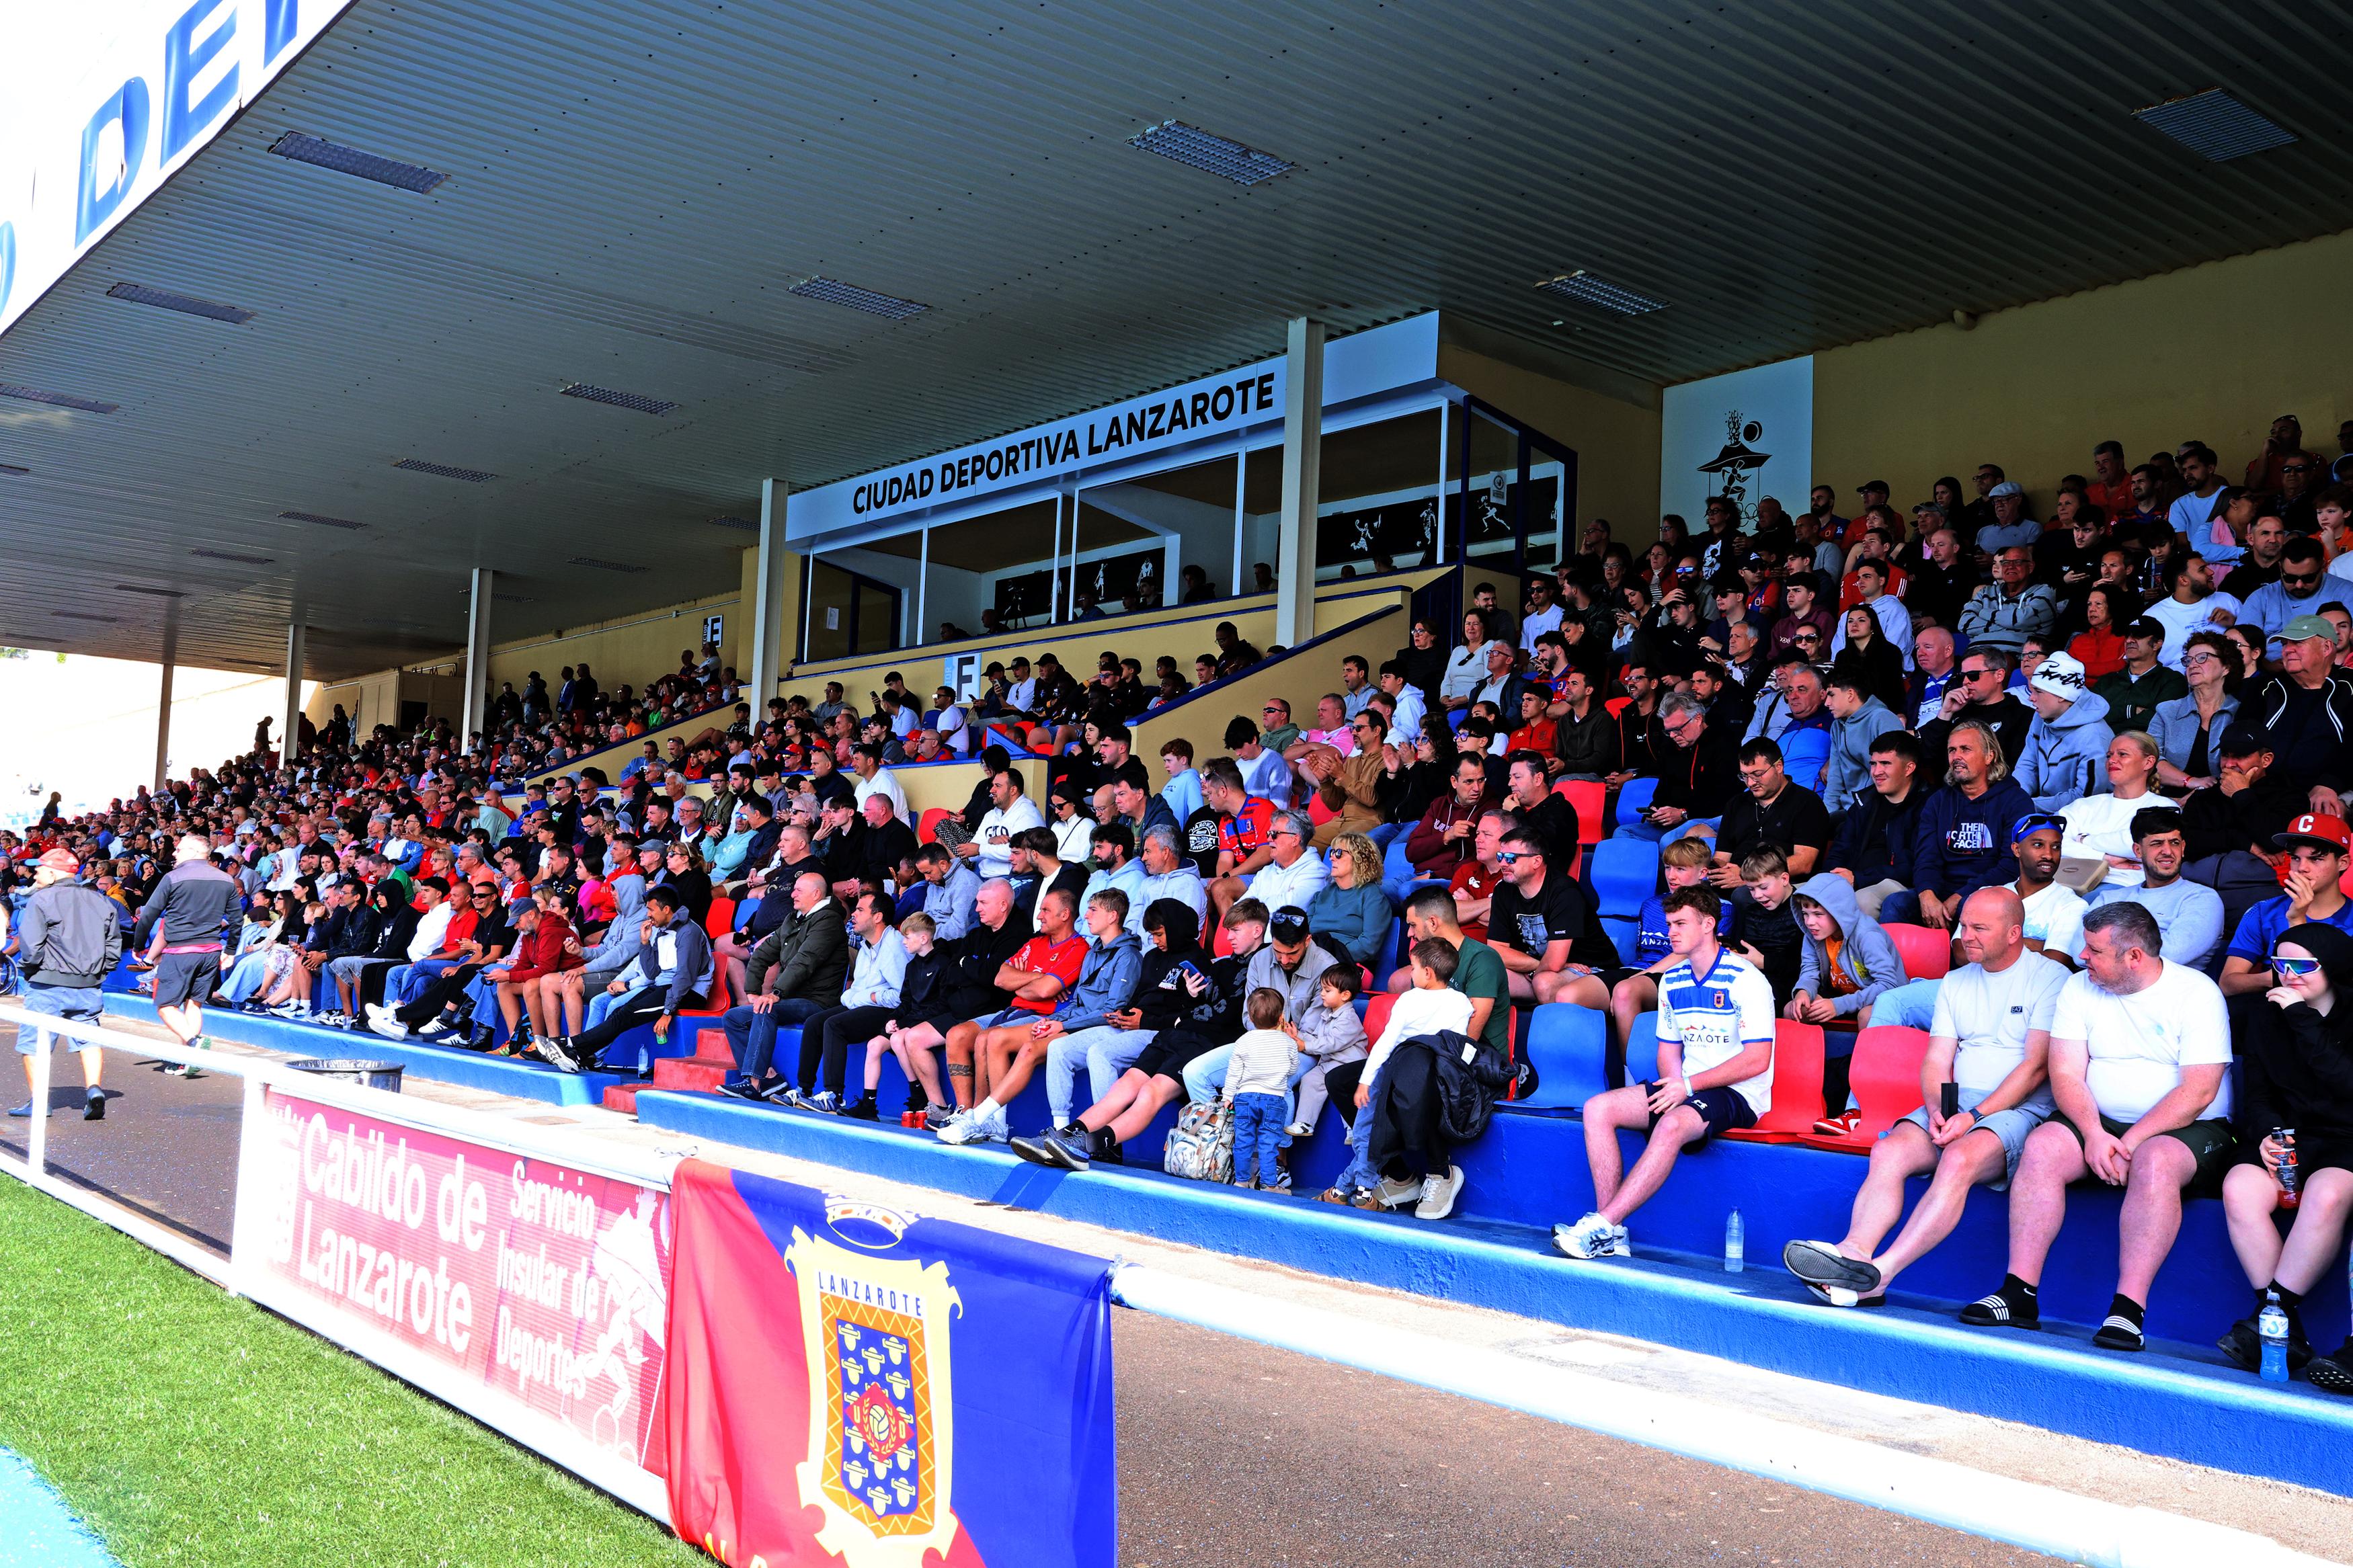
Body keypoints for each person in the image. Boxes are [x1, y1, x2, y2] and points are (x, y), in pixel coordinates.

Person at [1958, 902, 2231, 1351]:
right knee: (2043, 1145)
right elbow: (2065, 1073)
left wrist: (2129, 1141)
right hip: (2098, 1120)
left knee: (2155, 1161)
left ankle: (2128, 1311)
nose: (2082, 957)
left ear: (2134, 957)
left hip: (2189, 1126)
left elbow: (2199, 1091)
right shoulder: (2079, 987)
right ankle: (2019, 1294)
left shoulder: (2196, 992)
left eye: (2095, 950)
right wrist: (2094, 1133)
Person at [1782, 888, 2065, 1308]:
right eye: (1963, 925)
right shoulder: (1956, 980)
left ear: (2013, 933)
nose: (1965, 936)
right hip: (1960, 1101)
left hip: (2020, 1106)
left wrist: (1973, 1117)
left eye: (1979, 928)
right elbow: (1938, 1061)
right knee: (1891, 1152)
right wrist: (1938, 1110)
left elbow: (2037, 1068)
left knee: (1959, 1159)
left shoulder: (2050, 978)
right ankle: (1854, 1252)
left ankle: (1879, 1275)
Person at [1556, 884, 1774, 1261]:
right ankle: (1610, 1231)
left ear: (1709, 924)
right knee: (1598, 1109)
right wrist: (1677, 1088)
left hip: (1739, 1092)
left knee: (1672, 1126)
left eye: (1680, 923)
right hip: (1687, 1086)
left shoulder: (1746, 978)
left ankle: (1603, 1223)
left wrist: (1687, 1088)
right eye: (1669, 923)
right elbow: (1669, 1053)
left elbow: (1758, 1060)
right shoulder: (1672, 980)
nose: (1670, 931)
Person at [1009, 901, 1265, 1170]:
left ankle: (1088, 1146)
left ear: (1258, 931)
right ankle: (1066, 1137)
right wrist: (1194, 993)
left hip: (1204, 1045)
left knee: (1150, 1094)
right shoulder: (1222, 965)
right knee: (1122, 1088)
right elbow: (1199, 1005)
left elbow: (1235, 1015)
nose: (1229, 937)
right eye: (1229, 931)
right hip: (1173, 1034)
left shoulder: (1262, 967)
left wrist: (1188, 1008)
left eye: (1236, 931)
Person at [2218, 925, 2353, 1388]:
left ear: (2331, 967)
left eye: (2303, 965)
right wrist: (2267, 1136)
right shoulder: (2264, 1013)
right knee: (2239, 1187)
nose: (2288, 975)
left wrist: (2301, 1017)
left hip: (2346, 1140)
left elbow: (2346, 1084)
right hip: (2290, 1138)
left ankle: (2272, 1314)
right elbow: (2256, 1091)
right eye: (2280, 964)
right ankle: (2283, 1324)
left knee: (2328, 1192)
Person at [951, 888, 1144, 1141]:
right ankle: (988, 1119)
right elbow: (1002, 978)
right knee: (980, 1037)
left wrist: (1060, 1022)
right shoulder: (1093, 951)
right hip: (1070, 1020)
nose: (1085, 916)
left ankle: (992, 1120)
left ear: (1112, 916)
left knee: (1022, 1046)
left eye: (1093, 910)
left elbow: (1109, 1010)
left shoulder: (1124, 955)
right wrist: (1056, 1020)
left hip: (1101, 1027)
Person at [936, 885, 1092, 1143]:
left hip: (1043, 1016)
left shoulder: (1078, 947)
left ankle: (994, 1122)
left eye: (1045, 910)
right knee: (958, 1034)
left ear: (1065, 915)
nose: (1039, 915)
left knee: (990, 1038)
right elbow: (1000, 978)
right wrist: (1038, 979)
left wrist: (1029, 983)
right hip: (1013, 1010)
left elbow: (1045, 991)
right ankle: (968, 1113)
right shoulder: (1034, 943)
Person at [1339, 936, 1479, 1219]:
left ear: (1427, 972)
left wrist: (1367, 1080)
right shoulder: (1457, 1001)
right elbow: (1455, 1047)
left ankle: (1355, 1184)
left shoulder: (1418, 999)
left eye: (1413, 968)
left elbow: (1388, 1042)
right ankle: (1366, 1180)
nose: (1411, 974)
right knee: (1365, 1121)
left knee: (1370, 1125)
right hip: (1418, 1076)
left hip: (1411, 1077)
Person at [1885, 721, 2036, 930]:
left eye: (1965, 749)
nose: (1957, 757)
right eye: (1952, 750)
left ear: (1989, 756)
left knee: (1970, 908)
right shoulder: (1938, 801)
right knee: (1895, 904)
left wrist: (1960, 896)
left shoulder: (2016, 801)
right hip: (1942, 891)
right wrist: (1927, 893)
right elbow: (1926, 857)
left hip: (1990, 892)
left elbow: (2010, 866)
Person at [1786, 874, 1909, 1126]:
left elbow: (1889, 985)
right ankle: (1800, 1093)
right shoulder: (1813, 935)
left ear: (1838, 911)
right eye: (1806, 913)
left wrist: (1838, 1006)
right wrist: (1802, 993)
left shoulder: (1867, 935)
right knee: (1793, 1010)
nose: (1810, 922)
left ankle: (1864, 1101)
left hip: (1881, 1002)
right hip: (1843, 998)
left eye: (1818, 914)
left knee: (1867, 1015)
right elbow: (1809, 972)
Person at [9, 850, 122, 1120]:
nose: (35, 874)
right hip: (89, 986)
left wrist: (31, 970)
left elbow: (32, 947)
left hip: (48, 985)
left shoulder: (42, 899)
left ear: (52, 872)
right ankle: (94, 1089)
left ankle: (39, 1103)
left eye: (39, 869)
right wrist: (97, 974)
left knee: (34, 1043)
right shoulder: (101, 901)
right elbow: (114, 946)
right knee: (89, 1037)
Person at [551, 885, 712, 1074]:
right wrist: (645, 944)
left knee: (625, 1015)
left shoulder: (689, 932)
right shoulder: (660, 930)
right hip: (665, 987)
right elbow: (652, 973)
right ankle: (582, 1055)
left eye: (652, 910)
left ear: (666, 909)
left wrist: (668, 1012)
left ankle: (572, 1045)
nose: (648, 914)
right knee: (621, 1011)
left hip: (689, 993)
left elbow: (685, 977)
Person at [774, 890, 910, 1113]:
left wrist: (866, 997)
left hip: (889, 1012)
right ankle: (803, 1090)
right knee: (814, 1022)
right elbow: (856, 989)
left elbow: (901, 996)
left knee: (834, 1025)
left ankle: (834, 1096)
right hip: (864, 1006)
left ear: (878, 917)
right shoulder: (867, 945)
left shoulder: (894, 946)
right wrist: (855, 997)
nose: (853, 914)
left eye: (860, 910)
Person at [716, 871, 848, 1098]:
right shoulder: (794, 918)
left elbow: (805, 961)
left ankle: (753, 1083)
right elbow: (762, 954)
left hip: (818, 1002)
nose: (793, 894)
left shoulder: (829, 921)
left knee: (767, 1009)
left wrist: (775, 993)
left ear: (816, 894)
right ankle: (769, 1078)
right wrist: (752, 992)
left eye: (798, 890)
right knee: (733, 1017)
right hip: (791, 998)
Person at [132, 835, 243, 1076]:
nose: (174, 854)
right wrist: (231, 952)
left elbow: (149, 915)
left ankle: (194, 1043)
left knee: (165, 1005)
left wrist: (139, 945)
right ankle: (186, 1061)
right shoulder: (226, 879)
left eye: (179, 850)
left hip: (180, 951)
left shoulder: (172, 878)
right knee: (193, 1004)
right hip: (211, 952)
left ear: (193, 851)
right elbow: (236, 920)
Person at [2220, 813, 2353, 999]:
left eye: (2315, 859)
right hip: (2275, 1014)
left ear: (2343, 862)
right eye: (2296, 858)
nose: (2302, 868)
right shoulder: (2263, 911)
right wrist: (2278, 976)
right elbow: (2227, 984)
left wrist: (2297, 920)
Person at [2247, 616, 2353, 814]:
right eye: (2285, 644)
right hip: (2267, 789)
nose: (2287, 650)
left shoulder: (2349, 687)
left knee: (2331, 813)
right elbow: (2243, 736)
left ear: (2327, 648)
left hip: (2334, 789)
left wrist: (2329, 784)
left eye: (2298, 642)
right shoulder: (2266, 687)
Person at [1825, 730, 1924, 917]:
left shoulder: (1926, 805)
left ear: (1909, 768)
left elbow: (1911, 866)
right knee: (1798, 895)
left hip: (1898, 883)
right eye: (1873, 764)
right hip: (1854, 880)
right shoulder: (1865, 802)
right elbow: (1840, 848)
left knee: (1863, 900)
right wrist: (1835, 876)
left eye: (1886, 764)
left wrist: (1858, 879)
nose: (1876, 772)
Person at [2053, 733, 2163, 889]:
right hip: (2068, 881)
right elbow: (2054, 842)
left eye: (2122, 754)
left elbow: (2133, 844)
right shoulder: (2083, 805)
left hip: (2124, 885)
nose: (2112, 760)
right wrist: (2104, 857)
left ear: (2148, 762)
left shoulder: (2164, 808)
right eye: (2109, 755)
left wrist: (2084, 839)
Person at [1222, 987, 1299, 1190]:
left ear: (1251, 1017)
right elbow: (1293, 1068)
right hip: (1274, 1099)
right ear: (1281, 1017)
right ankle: (1269, 1185)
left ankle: (1241, 1181)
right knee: (1268, 1144)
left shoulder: (1243, 1041)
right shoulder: (1288, 1043)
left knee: (1243, 1141)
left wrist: (1227, 1096)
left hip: (1245, 1097)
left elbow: (1234, 1073)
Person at [2149, 632, 2240, 792]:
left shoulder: (2239, 711)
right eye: (2188, 660)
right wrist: (2190, 782)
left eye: (2203, 658)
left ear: (2226, 667)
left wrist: (2196, 799)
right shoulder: (2167, 711)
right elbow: (2149, 758)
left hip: (2221, 798)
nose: (2192, 665)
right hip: (2167, 798)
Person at [1287, 962, 1369, 1138]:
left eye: (1327, 990)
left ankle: (1354, 1129)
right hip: (1330, 1063)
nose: (1322, 994)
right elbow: (1318, 1038)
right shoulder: (1327, 1014)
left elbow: (1331, 1043)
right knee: (1309, 1079)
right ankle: (1305, 1123)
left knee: (1343, 1088)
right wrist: (1299, 1037)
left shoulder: (1348, 1018)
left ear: (1345, 995)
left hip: (1349, 1066)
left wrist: (1305, 1045)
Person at [1819, 671, 1902, 813]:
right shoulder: (1837, 726)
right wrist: (1826, 814)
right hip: (1851, 808)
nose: (1826, 703)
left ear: (1850, 694)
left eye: (1831, 695)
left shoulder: (1882, 718)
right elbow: (1835, 776)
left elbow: (1895, 772)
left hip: (1879, 808)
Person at [2090, 618, 2186, 737]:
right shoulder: (2107, 680)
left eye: (2138, 636)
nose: (2129, 640)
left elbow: (2154, 721)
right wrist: (2130, 711)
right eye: (2127, 636)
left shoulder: (2172, 681)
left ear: (2156, 644)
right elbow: (2088, 714)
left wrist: (2106, 728)